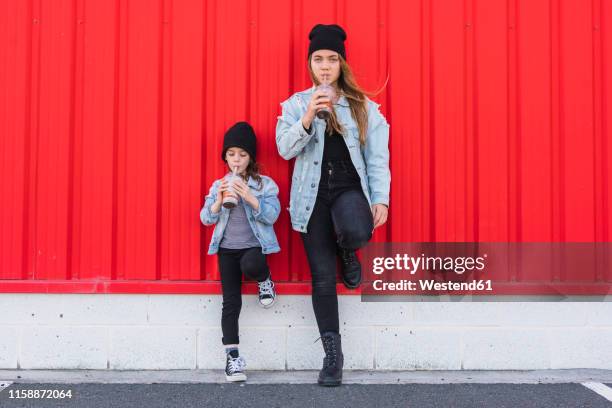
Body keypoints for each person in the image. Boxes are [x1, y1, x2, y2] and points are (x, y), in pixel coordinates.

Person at [276, 24, 390, 386]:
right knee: (323, 280)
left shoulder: (363, 107)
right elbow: (284, 149)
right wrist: (308, 117)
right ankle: (333, 356)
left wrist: (382, 197)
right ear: (310, 64)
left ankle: (348, 250)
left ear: (342, 63)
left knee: (357, 230)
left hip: (347, 186)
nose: (325, 66)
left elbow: (377, 158)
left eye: (332, 59)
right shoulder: (295, 105)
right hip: (311, 196)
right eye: (318, 59)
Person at [200, 121, 281, 382]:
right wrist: (217, 203)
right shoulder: (218, 185)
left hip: (253, 247)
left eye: (243, 155)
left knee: (252, 265)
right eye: (232, 154)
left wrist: (249, 195)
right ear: (225, 156)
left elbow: (272, 216)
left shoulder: (264, 184)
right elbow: (205, 219)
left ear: (251, 158)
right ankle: (233, 358)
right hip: (226, 250)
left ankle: (265, 281)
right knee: (230, 303)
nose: (237, 159)